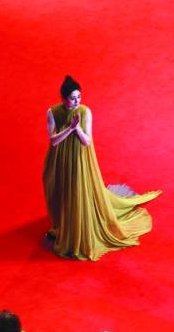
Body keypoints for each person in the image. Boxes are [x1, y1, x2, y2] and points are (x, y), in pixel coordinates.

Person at [43, 75, 159, 261]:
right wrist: (69, 129)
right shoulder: (52, 112)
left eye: (79, 97)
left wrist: (77, 129)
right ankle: (63, 226)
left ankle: (77, 232)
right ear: (63, 98)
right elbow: (54, 140)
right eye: (72, 98)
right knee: (60, 193)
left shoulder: (85, 112)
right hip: (58, 161)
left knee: (76, 192)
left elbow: (87, 141)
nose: (77, 101)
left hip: (78, 160)